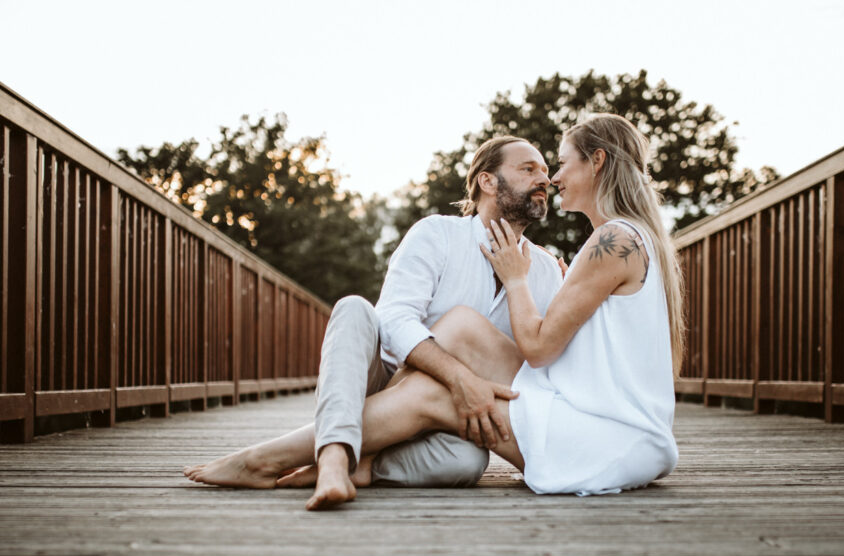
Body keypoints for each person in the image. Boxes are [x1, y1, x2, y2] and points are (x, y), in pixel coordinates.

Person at [186, 113, 684, 506]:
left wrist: (522, 278)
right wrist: (460, 375)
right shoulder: (442, 234)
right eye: (531, 168)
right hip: (420, 381)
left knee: (454, 440)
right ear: (488, 182)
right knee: (406, 320)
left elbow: (538, 347)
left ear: (596, 162)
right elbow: (397, 321)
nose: (551, 178)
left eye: (557, 164)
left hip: (596, 433)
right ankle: (335, 458)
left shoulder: (597, 246)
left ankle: (292, 459)